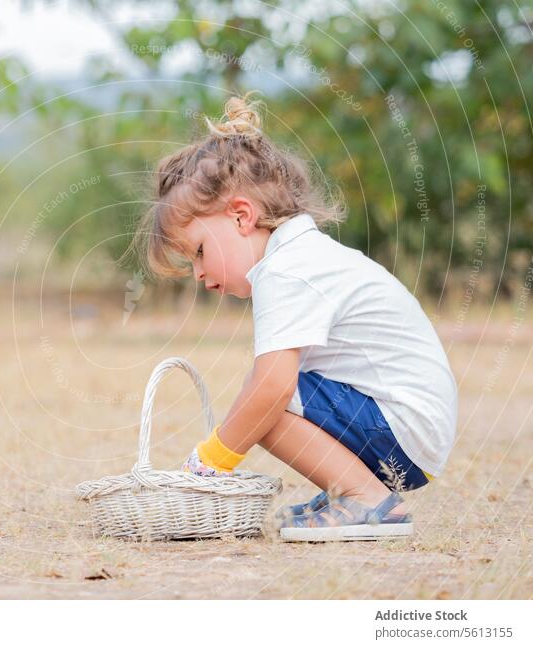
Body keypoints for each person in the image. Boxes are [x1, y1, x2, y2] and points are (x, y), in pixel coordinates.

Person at [130, 94, 458, 542]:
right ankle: (352, 492)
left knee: (266, 397)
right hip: (412, 432)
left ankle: (365, 498)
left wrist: (211, 462)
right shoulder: (299, 256)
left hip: (404, 429)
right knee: (265, 392)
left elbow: (271, 388)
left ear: (242, 216)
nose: (200, 275)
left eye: (200, 253)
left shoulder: (286, 271)